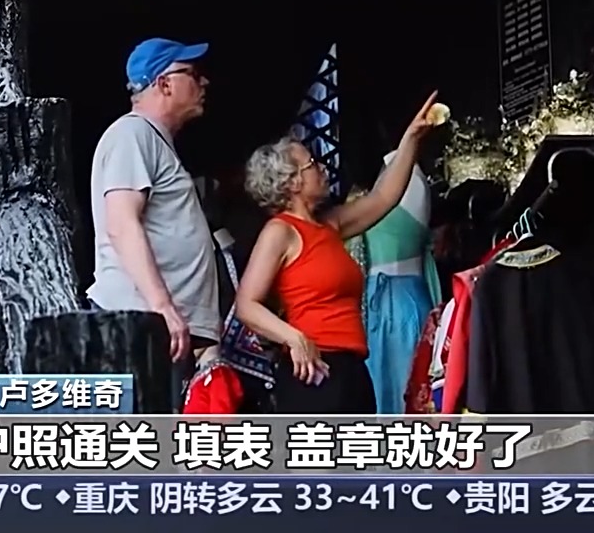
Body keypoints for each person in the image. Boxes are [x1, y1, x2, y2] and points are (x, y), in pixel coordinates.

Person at [234, 93, 441, 413]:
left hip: (351, 367)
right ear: (292, 183)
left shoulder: (329, 225)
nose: (322, 168)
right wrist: (293, 338)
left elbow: (384, 197)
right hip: (314, 369)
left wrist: (411, 138)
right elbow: (246, 305)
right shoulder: (281, 231)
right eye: (312, 165)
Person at [87, 38, 219, 406]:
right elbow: (122, 223)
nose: (204, 82)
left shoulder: (152, 140)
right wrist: (162, 306)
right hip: (140, 323)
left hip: (155, 327)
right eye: (193, 73)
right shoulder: (133, 134)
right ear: (164, 83)